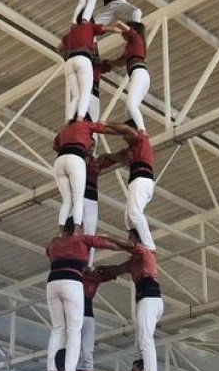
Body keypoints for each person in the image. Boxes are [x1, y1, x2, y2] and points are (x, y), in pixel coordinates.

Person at [47, 226, 131, 371]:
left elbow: (49, 253)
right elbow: (108, 245)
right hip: (72, 283)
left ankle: (52, 369)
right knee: (74, 332)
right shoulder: (82, 240)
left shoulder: (54, 243)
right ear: (76, 229)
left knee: (58, 328)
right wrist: (130, 248)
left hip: (53, 282)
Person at [95, 232, 162, 371]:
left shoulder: (145, 252)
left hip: (149, 298)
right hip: (146, 299)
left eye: (130, 237)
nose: (128, 240)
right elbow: (118, 269)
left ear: (137, 240)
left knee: (145, 340)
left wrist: (109, 237)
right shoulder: (133, 262)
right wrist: (102, 268)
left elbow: (128, 245)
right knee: (142, 341)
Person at [53, 118, 120, 232]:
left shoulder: (96, 162)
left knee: (90, 230)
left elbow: (116, 158)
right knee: (71, 223)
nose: (91, 147)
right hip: (78, 195)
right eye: (90, 144)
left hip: (91, 197)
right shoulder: (78, 159)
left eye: (93, 145)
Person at [103, 122, 155, 250]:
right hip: (137, 181)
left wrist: (103, 124)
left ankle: (149, 246)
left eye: (125, 135)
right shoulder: (132, 149)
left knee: (134, 213)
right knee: (129, 220)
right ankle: (134, 242)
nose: (124, 137)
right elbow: (122, 159)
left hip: (142, 179)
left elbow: (125, 128)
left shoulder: (141, 139)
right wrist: (106, 156)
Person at [62, 22, 126, 123]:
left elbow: (119, 62)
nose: (95, 52)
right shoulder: (91, 63)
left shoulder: (97, 66)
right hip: (90, 93)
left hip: (91, 93)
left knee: (86, 118)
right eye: (94, 49)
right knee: (87, 119)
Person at [101, 24, 149, 131]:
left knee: (131, 106)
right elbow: (120, 61)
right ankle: (134, 129)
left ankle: (142, 131)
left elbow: (127, 29)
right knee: (129, 110)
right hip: (140, 74)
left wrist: (117, 24)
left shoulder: (136, 39)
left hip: (138, 73)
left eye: (123, 31)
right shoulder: (131, 46)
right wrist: (107, 62)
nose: (122, 33)